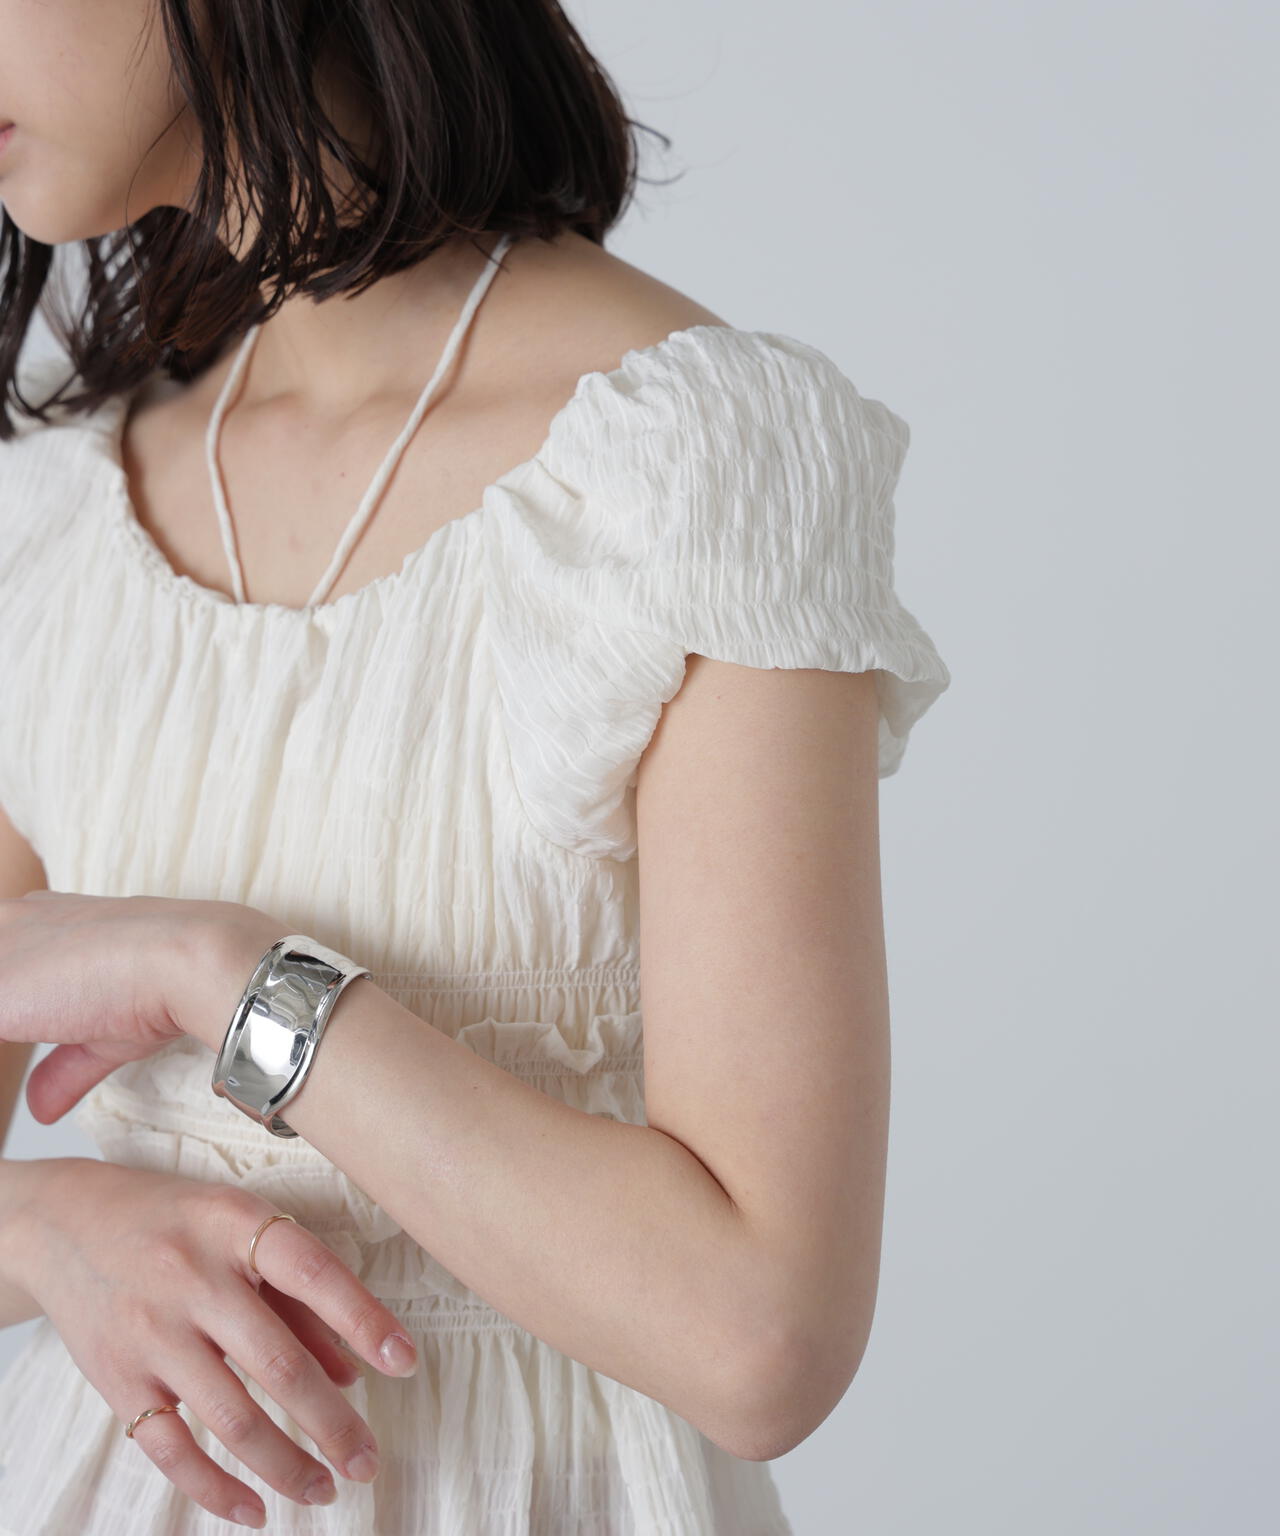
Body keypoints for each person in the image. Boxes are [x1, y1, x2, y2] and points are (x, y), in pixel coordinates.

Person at [0, 1, 952, 1531]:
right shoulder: (54, 526)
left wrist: (218, 973)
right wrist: (45, 1225)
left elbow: (761, 1334)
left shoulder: (691, 465)